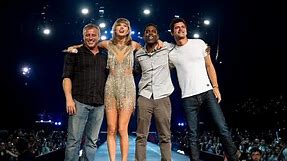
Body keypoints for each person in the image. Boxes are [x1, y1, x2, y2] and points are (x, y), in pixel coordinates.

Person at [168, 17, 239, 161]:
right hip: (188, 97)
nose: (180, 29)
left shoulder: (199, 43)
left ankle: (233, 156)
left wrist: (216, 87)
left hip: (207, 92)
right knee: (193, 134)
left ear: (186, 29)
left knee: (222, 127)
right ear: (172, 32)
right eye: (177, 27)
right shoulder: (171, 54)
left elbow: (209, 66)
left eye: (182, 26)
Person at [62, 23, 108, 161]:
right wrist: (69, 99)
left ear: (99, 37)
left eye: (94, 35)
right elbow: (66, 77)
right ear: (83, 37)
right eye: (87, 35)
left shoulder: (105, 56)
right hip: (78, 102)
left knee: (92, 142)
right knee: (73, 142)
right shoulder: (74, 53)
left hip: (99, 104)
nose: (90, 37)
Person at [134, 23, 174, 161]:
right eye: (147, 31)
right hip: (144, 97)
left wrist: (205, 47)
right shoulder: (139, 54)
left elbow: (183, 44)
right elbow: (136, 71)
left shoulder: (167, 48)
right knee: (141, 135)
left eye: (153, 31)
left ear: (157, 35)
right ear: (144, 35)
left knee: (165, 135)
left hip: (163, 96)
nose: (150, 33)